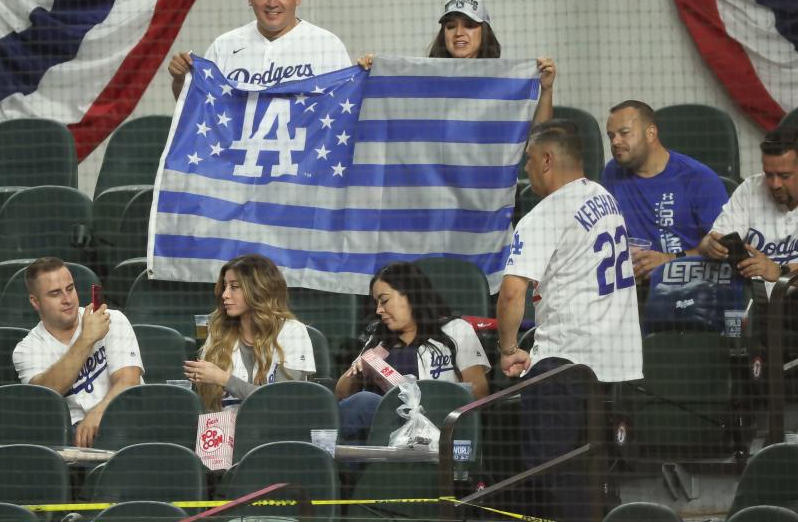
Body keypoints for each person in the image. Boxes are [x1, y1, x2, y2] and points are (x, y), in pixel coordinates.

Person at [497, 120, 642, 522]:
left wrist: (508, 349)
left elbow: (512, 291)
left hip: (566, 360)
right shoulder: (603, 197)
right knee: (595, 472)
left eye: (528, 160)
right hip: (615, 362)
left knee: (550, 471)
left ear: (547, 160)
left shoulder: (545, 214)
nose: (525, 169)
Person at [335, 261, 491, 441]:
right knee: (358, 405)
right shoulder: (380, 340)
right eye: (376, 303)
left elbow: (479, 392)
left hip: (439, 426)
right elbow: (342, 393)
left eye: (384, 300)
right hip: (387, 433)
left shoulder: (455, 330)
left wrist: (430, 402)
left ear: (410, 294)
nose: (379, 310)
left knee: (364, 402)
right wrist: (358, 370)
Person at [167, 0, 352, 99]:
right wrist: (181, 80)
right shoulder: (223, 46)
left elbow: (346, 107)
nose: (272, 3)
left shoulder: (327, 45)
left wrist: (373, 72)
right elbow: (199, 109)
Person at [12, 257, 143, 447]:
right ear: (35, 302)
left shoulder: (111, 320)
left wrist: (98, 414)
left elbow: (128, 382)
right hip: (70, 437)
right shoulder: (27, 349)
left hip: (124, 424)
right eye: (55, 293)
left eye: (70, 288)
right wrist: (86, 338)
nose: (67, 299)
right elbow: (46, 394)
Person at [603, 100, 728, 279]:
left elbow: (724, 252)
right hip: (633, 286)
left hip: (689, 287)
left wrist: (669, 260)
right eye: (611, 136)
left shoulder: (698, 178)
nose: (615, 142)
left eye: (624, 133)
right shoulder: (612, 173)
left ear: (651, 133)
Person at [185, 254, 315, 411]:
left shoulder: (292, 332)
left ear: (258, 289)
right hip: (224, 431)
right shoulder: (219, 333)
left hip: (276, 433)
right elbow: (206, 405)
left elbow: (282, 402)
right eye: (225, 286)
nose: (225, 294)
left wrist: (223, 379)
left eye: (234, 287)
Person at [428, 0, 557, 128]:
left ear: (484, 32)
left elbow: (539, 139)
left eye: (469, 25)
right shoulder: (428, 81)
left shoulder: (506, 81)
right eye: (450, 26)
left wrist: (546, 89)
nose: (459, 33)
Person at [701, 126, 798, 287]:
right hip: (753, 301)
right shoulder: (751, 188)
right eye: (768, 174)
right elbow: (712, 239)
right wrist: (711, 246)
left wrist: (779, 271)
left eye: (784, 175)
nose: (775, 184)